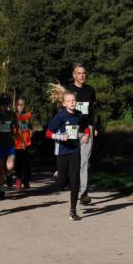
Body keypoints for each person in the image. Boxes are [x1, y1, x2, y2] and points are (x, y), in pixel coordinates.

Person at [45, 91, 87, 220]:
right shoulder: (61, 116)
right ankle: (58, 175)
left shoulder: (79, 114)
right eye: (69, 101)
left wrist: (86, 135)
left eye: (73, 100)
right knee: (62, 183)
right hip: (62, 151)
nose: (72, 103)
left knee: (75, 180)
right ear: (64, 103)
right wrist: (60, 137)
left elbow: (85, 127)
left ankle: (73, 211)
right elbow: (48, 133)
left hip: (75, 151)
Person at [70, 63, 98, 205]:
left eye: (84, 73)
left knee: (85, 161)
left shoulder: (90, 90)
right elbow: (61, 109)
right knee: (73, 160)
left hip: (87, 128)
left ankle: (84, 193)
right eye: (79, 73)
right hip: (72, 128)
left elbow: (93, 110)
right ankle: (70, 182)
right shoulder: (68, 90)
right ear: (74, 75)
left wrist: (94, 126)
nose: (82, 75)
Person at [0, 93, 17, 200]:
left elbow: (17, 127)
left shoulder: (12, 114)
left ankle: (9, 174)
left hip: (10, 144)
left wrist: (21, 140)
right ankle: (1, 190)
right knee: (1, 167)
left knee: (10, 166)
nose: (4, 106)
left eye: (6, 104)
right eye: (2, 104)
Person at [13, 96, 34, 190]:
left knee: (27, 163)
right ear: (16, 105)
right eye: (18, 104)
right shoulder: (14, 116)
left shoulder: (29, 115)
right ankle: (18, 179)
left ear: (25, 105)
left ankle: (26, 180)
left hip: (27, 143)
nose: (20, 106)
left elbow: (34, 128)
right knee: (18, 162)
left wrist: (30, 135)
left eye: (22, 104)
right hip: (17, 143)